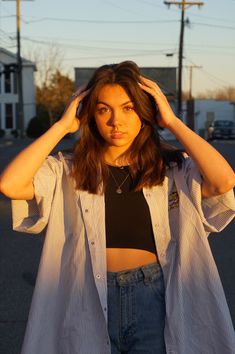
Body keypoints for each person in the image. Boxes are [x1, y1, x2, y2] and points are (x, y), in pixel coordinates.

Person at [0, 61, 235, 354]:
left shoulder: (171, 169)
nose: (116, 121)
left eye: (128, 108)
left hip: (153, 298)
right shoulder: (68, 170)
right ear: (90, 116)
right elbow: (10, 184)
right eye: (103, 110)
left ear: (144, 112)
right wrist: (62, 126)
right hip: (87, 298)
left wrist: (173, 122)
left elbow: (224, 180)